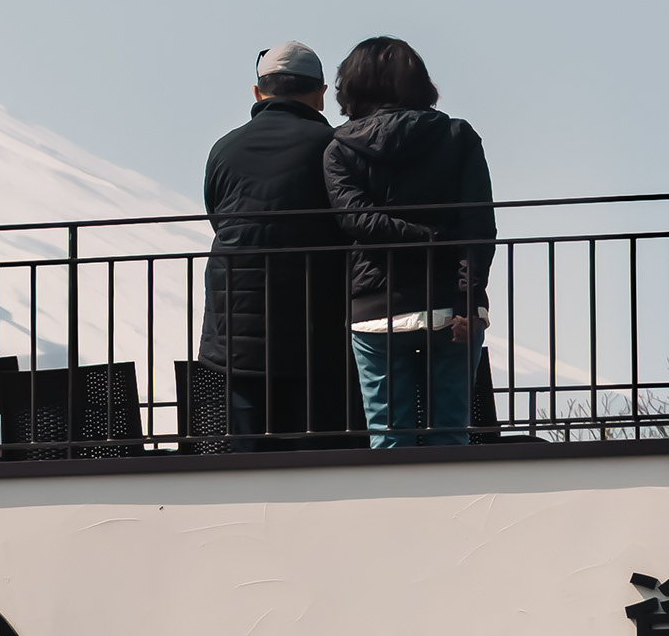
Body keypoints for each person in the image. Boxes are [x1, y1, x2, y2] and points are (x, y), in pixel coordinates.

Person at [322, 36, 496, 449]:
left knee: (388, 438)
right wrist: (468, 301)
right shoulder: (459, 137)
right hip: (451, 303)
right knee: (451, 434)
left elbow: (355, 219)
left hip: (377, 309)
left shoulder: (339, 149)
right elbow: (479, 226)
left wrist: (420, 237)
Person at [197, 42, 351, 449]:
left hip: (236, 334)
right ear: (320, 95)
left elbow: (218, 215)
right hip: (317, 334)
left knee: (247, 466)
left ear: (257, 93)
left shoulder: (224, 149)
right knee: (321, 463)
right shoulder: (334, 147)